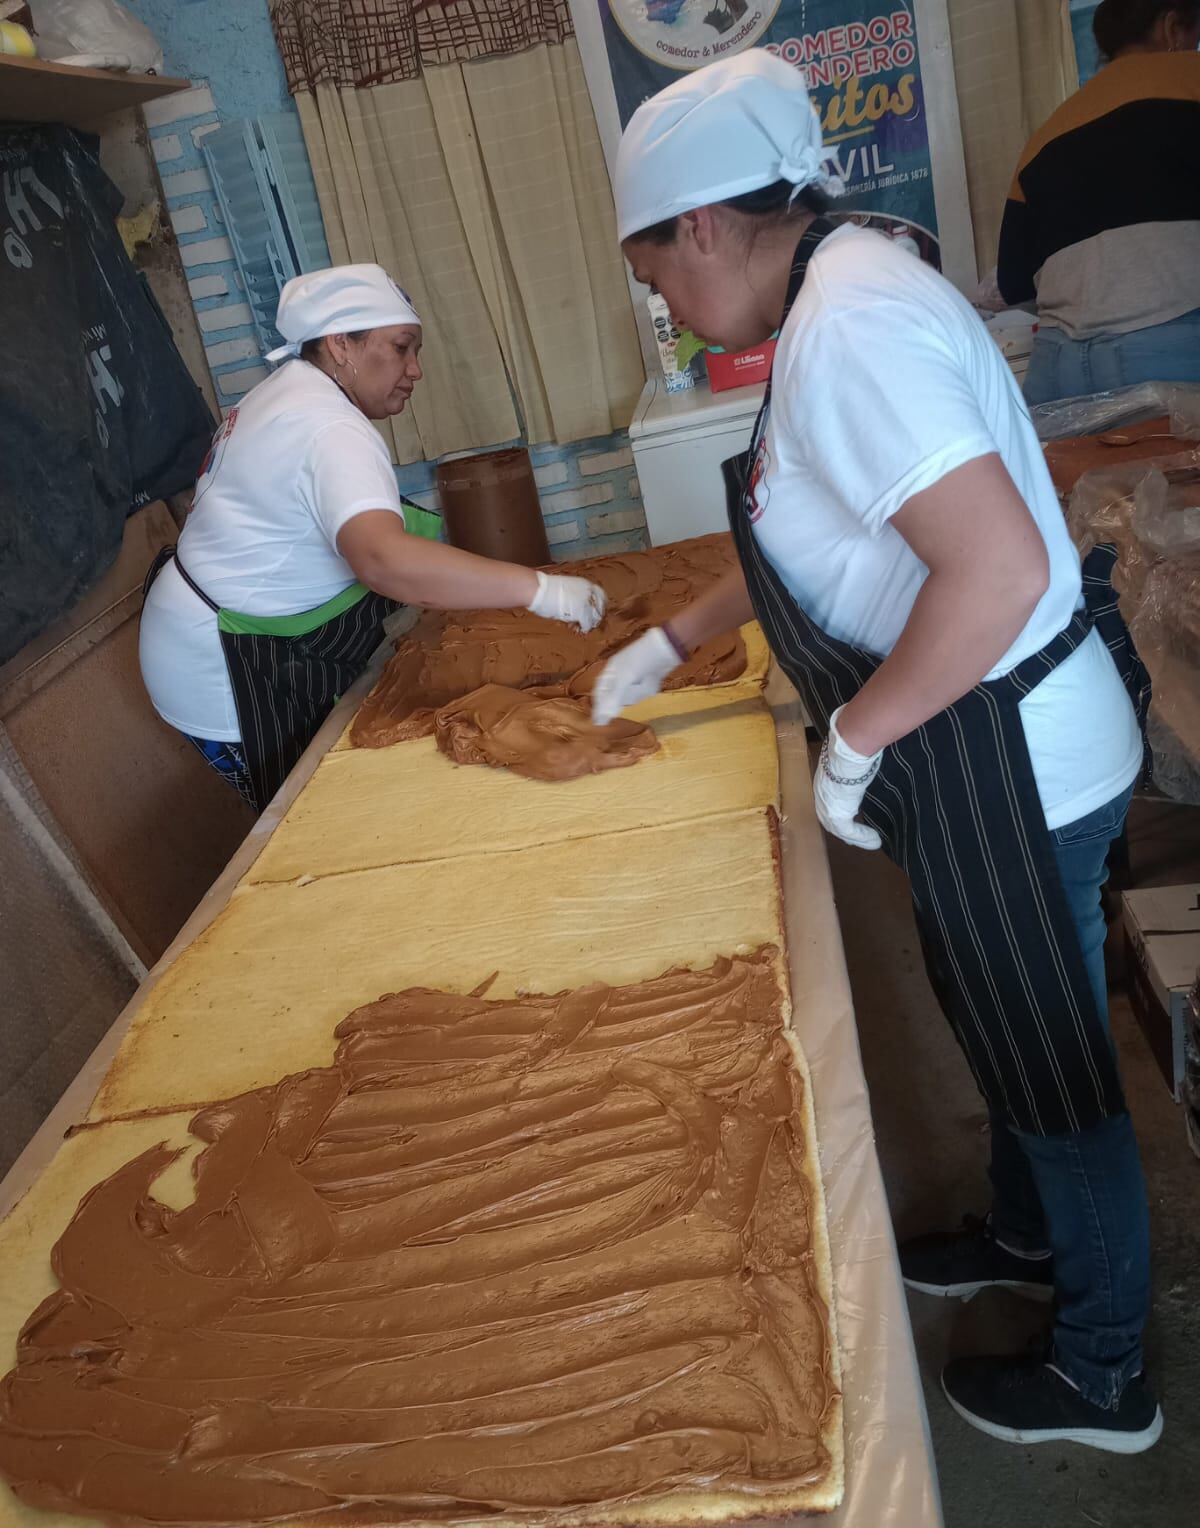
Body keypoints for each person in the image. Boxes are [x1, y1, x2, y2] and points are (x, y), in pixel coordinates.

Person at [594, 50, 1160, 1453]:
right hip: (978, 750)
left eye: (653, 266)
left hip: (1004, 755)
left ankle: (1105, 1374)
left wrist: (853, 735)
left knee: (1059, 1063)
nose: (660, 296)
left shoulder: (850, 325)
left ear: (706, 227)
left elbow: (996, 568)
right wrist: (674, 639)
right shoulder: (840, 288)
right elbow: (820, 519)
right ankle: (1029, 1241)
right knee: (1009, 1023)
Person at [140, 265, 605, 810]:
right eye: (402, 348)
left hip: (219, 619)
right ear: (340, 344)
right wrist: (540, 590)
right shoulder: (329, 428)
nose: (415, 370)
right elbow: (383, 559)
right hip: (225, 663)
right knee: (308, 813)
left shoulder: (286, 393)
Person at [998, 0, 1200, 403]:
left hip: (1057, 372)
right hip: (1170, 357)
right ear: (1173, 28)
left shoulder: (1048, 133)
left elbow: (1012, 281)